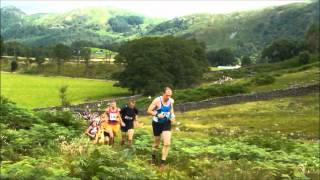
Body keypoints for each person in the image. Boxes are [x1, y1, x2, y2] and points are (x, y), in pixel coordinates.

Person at [147, 87, 176, 167]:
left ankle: (162, 163)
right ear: (163, 94)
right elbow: (149, 110)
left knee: (167, 143)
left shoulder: (171, 101)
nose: (168, 97)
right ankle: (153, 157)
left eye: (170, 95)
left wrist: (173, 116)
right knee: (157, 143)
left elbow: (171, 110)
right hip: (156, 123)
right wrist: (157, 114)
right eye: (167, 95)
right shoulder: (157, 101)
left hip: (166, 122)